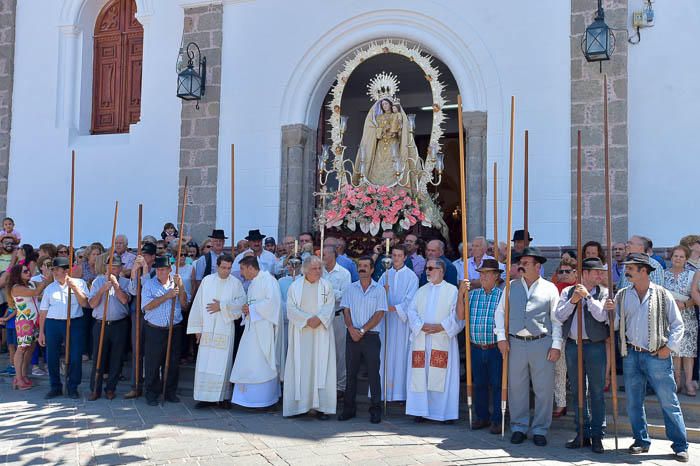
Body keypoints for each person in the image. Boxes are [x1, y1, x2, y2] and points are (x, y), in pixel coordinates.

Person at [613, 253, 688, 462]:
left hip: (657, 356)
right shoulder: (622, 295)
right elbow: (617, 325)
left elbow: (677, 324)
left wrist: (669, 348)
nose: (626, 271)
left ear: (644, 271)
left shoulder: (662, 294)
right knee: (634, 402)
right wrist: (609, 312)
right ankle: (640, 441)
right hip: (631, 355)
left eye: (631, 268)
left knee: (668, 401)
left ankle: (680, 445)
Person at [495, 247, 562, 446]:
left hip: (542, 342)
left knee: (543, 389)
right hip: (515, 342)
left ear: (538, 266)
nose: (520, 266)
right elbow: (500, 313)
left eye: (525, 263)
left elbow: (556, 319)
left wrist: (556, 344)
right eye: (520, 263)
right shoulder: (510, 286)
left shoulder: (550, 288)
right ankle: (518, 427)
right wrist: (501, 337)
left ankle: (540, 429)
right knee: (516, 388)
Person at [555, 258, 610, 453]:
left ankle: (597, 435)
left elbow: (602, 316)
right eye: (596, 272)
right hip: (572, 346)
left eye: (601, 272)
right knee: (578, 391)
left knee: (596, 392)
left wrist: (587, 298)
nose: (601, 275)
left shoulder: (604, 293)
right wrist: (573, 301)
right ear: (584, 273)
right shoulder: (567, 292)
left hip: (595, 346)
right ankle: (581, 432)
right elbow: (559, 316)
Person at [406, 258, 462, 423]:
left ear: (441, 271)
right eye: (426, 268)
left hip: (442, 339)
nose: (427, 271)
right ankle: (421, 410)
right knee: (421, 376)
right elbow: (411, 311)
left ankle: (444, 413)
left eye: (431, 268)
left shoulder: (453, 291)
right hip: (422, 339)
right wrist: (420, 325)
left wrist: (442, 327)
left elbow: (458, 316)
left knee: (442, 376)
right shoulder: (421, 291)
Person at [188, 254, 245, 407]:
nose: (226, 271)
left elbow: (241, 305)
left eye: (229, 268)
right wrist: (197, 329)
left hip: (224, 328)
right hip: (207, 328)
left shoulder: (236, 283)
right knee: (205, 363)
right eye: (223, 268)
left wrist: (222, 306)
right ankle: (204, 397)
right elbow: (198, 305)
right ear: (217, 267)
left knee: (223, 363)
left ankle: (222, 397)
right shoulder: (207, 281)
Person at [283, 256, 337, 419]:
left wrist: (319, 319)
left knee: (322, 368)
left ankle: (321, 407)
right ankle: (299, 407)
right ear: (305, 270)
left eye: (320, 268)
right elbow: (290, 308)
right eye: (314, 268)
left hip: (321, 333)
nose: (318, 271)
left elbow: (330, 306)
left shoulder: (326, 286)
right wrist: (307, 320)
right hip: (302, 333)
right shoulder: (295, 286)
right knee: (302, 368)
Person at [338, 256, 387, 423]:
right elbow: (346, 311)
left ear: (372, 269)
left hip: (371, 336)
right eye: (360, 266)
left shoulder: (379, 290)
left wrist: (363, 329)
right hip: (352, 336)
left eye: (366, 266)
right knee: (350, 373)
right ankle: (349, 409)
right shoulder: (350, 289)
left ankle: (375, 410)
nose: (362, 268)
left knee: (374, 374)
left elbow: (380, 313)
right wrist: (351, 329)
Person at [230, 256, 282, 408]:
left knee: (261, 363)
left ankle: (264, 399)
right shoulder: (253, 283)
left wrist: (251, 309)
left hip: (264, 329)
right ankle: (247, 399)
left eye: (242, 269)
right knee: (249, 361)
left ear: (251, 268)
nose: (241, 273)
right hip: (252, 328)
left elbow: (272, 303)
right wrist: (247, 309)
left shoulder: (268, 280)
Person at [457, 259, 502, 432]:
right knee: (479, 384)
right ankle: (482, 417)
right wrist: (461, 294)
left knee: (498, 384)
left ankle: (498, 419)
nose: (482, 277)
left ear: (496, 276)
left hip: (495, 348)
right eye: (481, 273)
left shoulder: (502, 296)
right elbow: (461, 316)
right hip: (475, 347)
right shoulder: (473, 295)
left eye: (486, 273)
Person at [38, 257, 89, 399]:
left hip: (74, 322)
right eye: (53, 269)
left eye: (57, 269)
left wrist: (75, 288)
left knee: (75, 355)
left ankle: (73, 386)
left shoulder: (80, 283)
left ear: (66, 270)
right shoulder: (50, 288)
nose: (54, 272)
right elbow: (43, 311)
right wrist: (41, 332)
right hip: (53, 323)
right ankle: (55, 386)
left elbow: (85, 304)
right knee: (52, 355)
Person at [141, 256, 188, 406]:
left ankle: (170, 392)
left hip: (174, 329)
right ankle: (151, 393)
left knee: (173, 362)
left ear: (169, 270)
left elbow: (184, 304)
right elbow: (147, 306)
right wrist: (166, 296)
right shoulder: (149, 285)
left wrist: (181, 288)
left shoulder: (176, 283)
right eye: (159, 269)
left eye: (164, 269)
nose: (161, 272)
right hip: (155, 329)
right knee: (153, 363)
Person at [87, 255, 130, 401]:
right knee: (99, 358)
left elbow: (124, 300)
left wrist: (116, 285)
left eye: (117, 267)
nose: (114, 269)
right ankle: (95, 389)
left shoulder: (125, 282)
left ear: (121, 268)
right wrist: (101, 290)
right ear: (106, 267)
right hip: (101, 324)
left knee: (116, 359)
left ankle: (111, 388)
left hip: (119, 325)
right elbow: (92, 304)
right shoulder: (97, 281)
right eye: (111, 266)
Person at [378, 244, 418, 402]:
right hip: (386, 321)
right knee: (385, 354)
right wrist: (383, 296)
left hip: (401, 324)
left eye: (399, 255)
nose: (395, 258)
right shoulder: (385, 275)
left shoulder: (411, 276)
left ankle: (400, 394)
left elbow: (411, 300)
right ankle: (383, 392)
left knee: (401, 356)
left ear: (405, 257)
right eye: (393, 255)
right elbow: (377, 293)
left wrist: (394, 307)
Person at [6, 264, 50, 389]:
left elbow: (38, 294)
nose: (28, 272)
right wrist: (46, 279)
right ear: (17, 274)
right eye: (25, 271)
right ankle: (18, 378)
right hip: (24, 321)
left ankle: (23, 375)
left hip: (34, 320)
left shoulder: (29, 284)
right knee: (22, 349)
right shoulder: (16, 287)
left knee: (30, 349)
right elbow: (36, 292)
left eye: (28, 270)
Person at [123, 241, 157, 399]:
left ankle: (152, 385)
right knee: (137, 350)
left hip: (153, 314)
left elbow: (149, 286)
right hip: (137, 314)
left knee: (152, 351)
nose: (143, 257)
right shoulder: (137, 270)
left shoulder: (157, 271)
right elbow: (133, 291)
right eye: (141, 254)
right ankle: (135, 386)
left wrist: (144, 270)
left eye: (146, 255)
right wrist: (134, 272)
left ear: (153, 257)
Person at [664, 245, 697, 396]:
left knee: (688, 352)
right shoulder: (664, 274)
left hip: (688, 315)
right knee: (675, 351)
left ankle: (689, 382)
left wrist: (684, 304)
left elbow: (696, 296)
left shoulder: (692, 275)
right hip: (670, 317)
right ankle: (677, 381)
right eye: (675, 256)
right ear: (671, 257)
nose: (678, 259)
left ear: (686, 259)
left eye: (681, 256)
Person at [321, 245, 351, 397]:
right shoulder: (319, 272)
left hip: (338, 317)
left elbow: (345, 296)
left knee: (340, 353)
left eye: (325, 254)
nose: (322, 256)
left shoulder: (344, 273)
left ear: (333, 255)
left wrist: (327, 291)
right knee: (324, 351)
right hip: (321, 318)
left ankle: (340, 386)